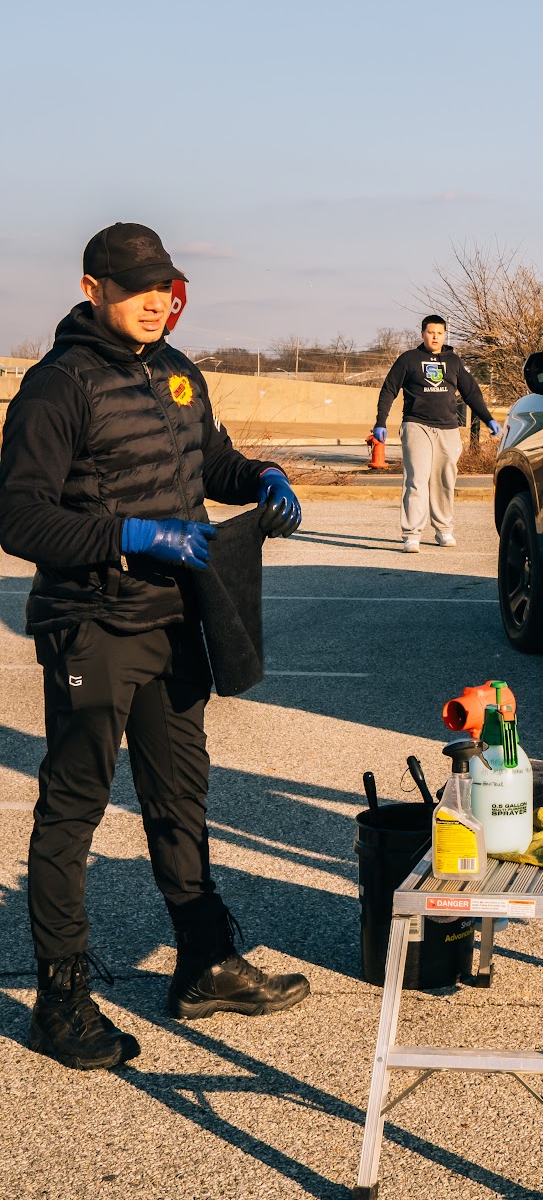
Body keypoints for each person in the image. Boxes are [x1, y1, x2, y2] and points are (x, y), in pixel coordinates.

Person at [0, 222, 310, 1071]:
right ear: (92, 287)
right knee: (75, 808)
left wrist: (262, 478)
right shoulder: (57, 385)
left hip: (177, 624)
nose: (153, 303)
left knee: (181, 797)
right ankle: (60, 999)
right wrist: (126, 535)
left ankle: (204, 962)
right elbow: (18, 516)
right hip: (92, 625)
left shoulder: (178, 373)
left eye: (163, 288)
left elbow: (208, 462)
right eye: (135, 288)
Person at [372, 315, 499, 552]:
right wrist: (381, 421)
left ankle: (444, 530)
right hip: (416, 425)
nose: (435, 337)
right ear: (422, 333)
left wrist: (489, 419)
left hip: (448, 428)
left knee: (445, 480)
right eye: (431, 333)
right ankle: (412, 534)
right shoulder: (409, 359)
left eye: (439, 333)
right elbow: (389, 390)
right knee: (417, 479)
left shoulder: (454, 361)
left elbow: (471, 393)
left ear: (444, 335)